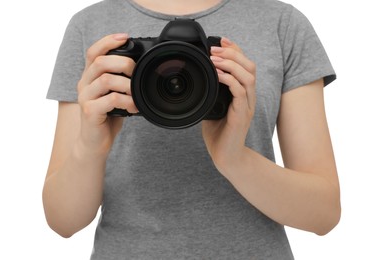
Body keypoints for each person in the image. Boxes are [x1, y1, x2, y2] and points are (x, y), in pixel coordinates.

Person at [43, 0, 341, 259]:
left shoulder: (283, 24)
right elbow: (63, 221)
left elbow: (324, 213)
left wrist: (234, 158)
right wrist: (92, 145)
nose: (176, 83)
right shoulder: (90, 26)